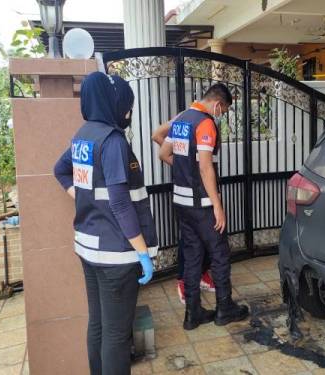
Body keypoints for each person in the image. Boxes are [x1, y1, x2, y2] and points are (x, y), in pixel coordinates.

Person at [53, 72, 157, 375]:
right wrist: (142, 252)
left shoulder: (83, 135)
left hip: (88, 247)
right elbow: (121, 203)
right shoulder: (112, 141)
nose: (128, 113)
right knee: (116, 335)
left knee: (98, 324)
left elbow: (60, 170)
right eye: (127, 107)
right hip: (115, 254)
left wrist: (84, 198)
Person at [159, 84, 249, 330]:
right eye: (224, 110)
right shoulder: (205, 122)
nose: (222, 115)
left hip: (181, 203)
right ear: (218, 104)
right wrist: (218, 206)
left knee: (192, 256)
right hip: (202, 205)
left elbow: (164, 153)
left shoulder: (181, 121)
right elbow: (206, 167)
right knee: (219, 254)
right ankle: (224, 308)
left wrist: (183, 170)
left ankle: (193, 313)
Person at [152, 120, 215, 304]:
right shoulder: (183, 120)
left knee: (206, 236)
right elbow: (157, 136)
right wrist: (184, 168)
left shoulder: (204, 122)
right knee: (188, 239)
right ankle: (183, 280)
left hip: (203, 188)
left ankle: (202, 274)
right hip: (190, 191)